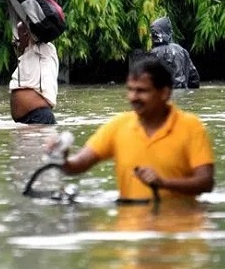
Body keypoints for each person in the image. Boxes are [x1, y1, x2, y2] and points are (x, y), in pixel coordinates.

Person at [54, 55, 215, 201]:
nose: (133, 97)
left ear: (164, 93)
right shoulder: (118, 125)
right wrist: (61, 156)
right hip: (129, 227)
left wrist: (163, 183)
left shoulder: (191, 126)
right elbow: (75, 166)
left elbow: (206, 182)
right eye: (130, 90)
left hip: (180, 226)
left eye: (142, 91)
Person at [9, 21, 59, 124]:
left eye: (18, 37)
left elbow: (31, 24)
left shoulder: (44, 49)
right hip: (29, 119)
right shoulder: (28, 57)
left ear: (27, 33)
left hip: (38, 117)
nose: (17, 42)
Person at [149, 16, 200, 89]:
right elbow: (194, 78)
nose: (150, 35)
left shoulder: (153, 54)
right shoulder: (181, 50)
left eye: (152, 32)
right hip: (183, 94)